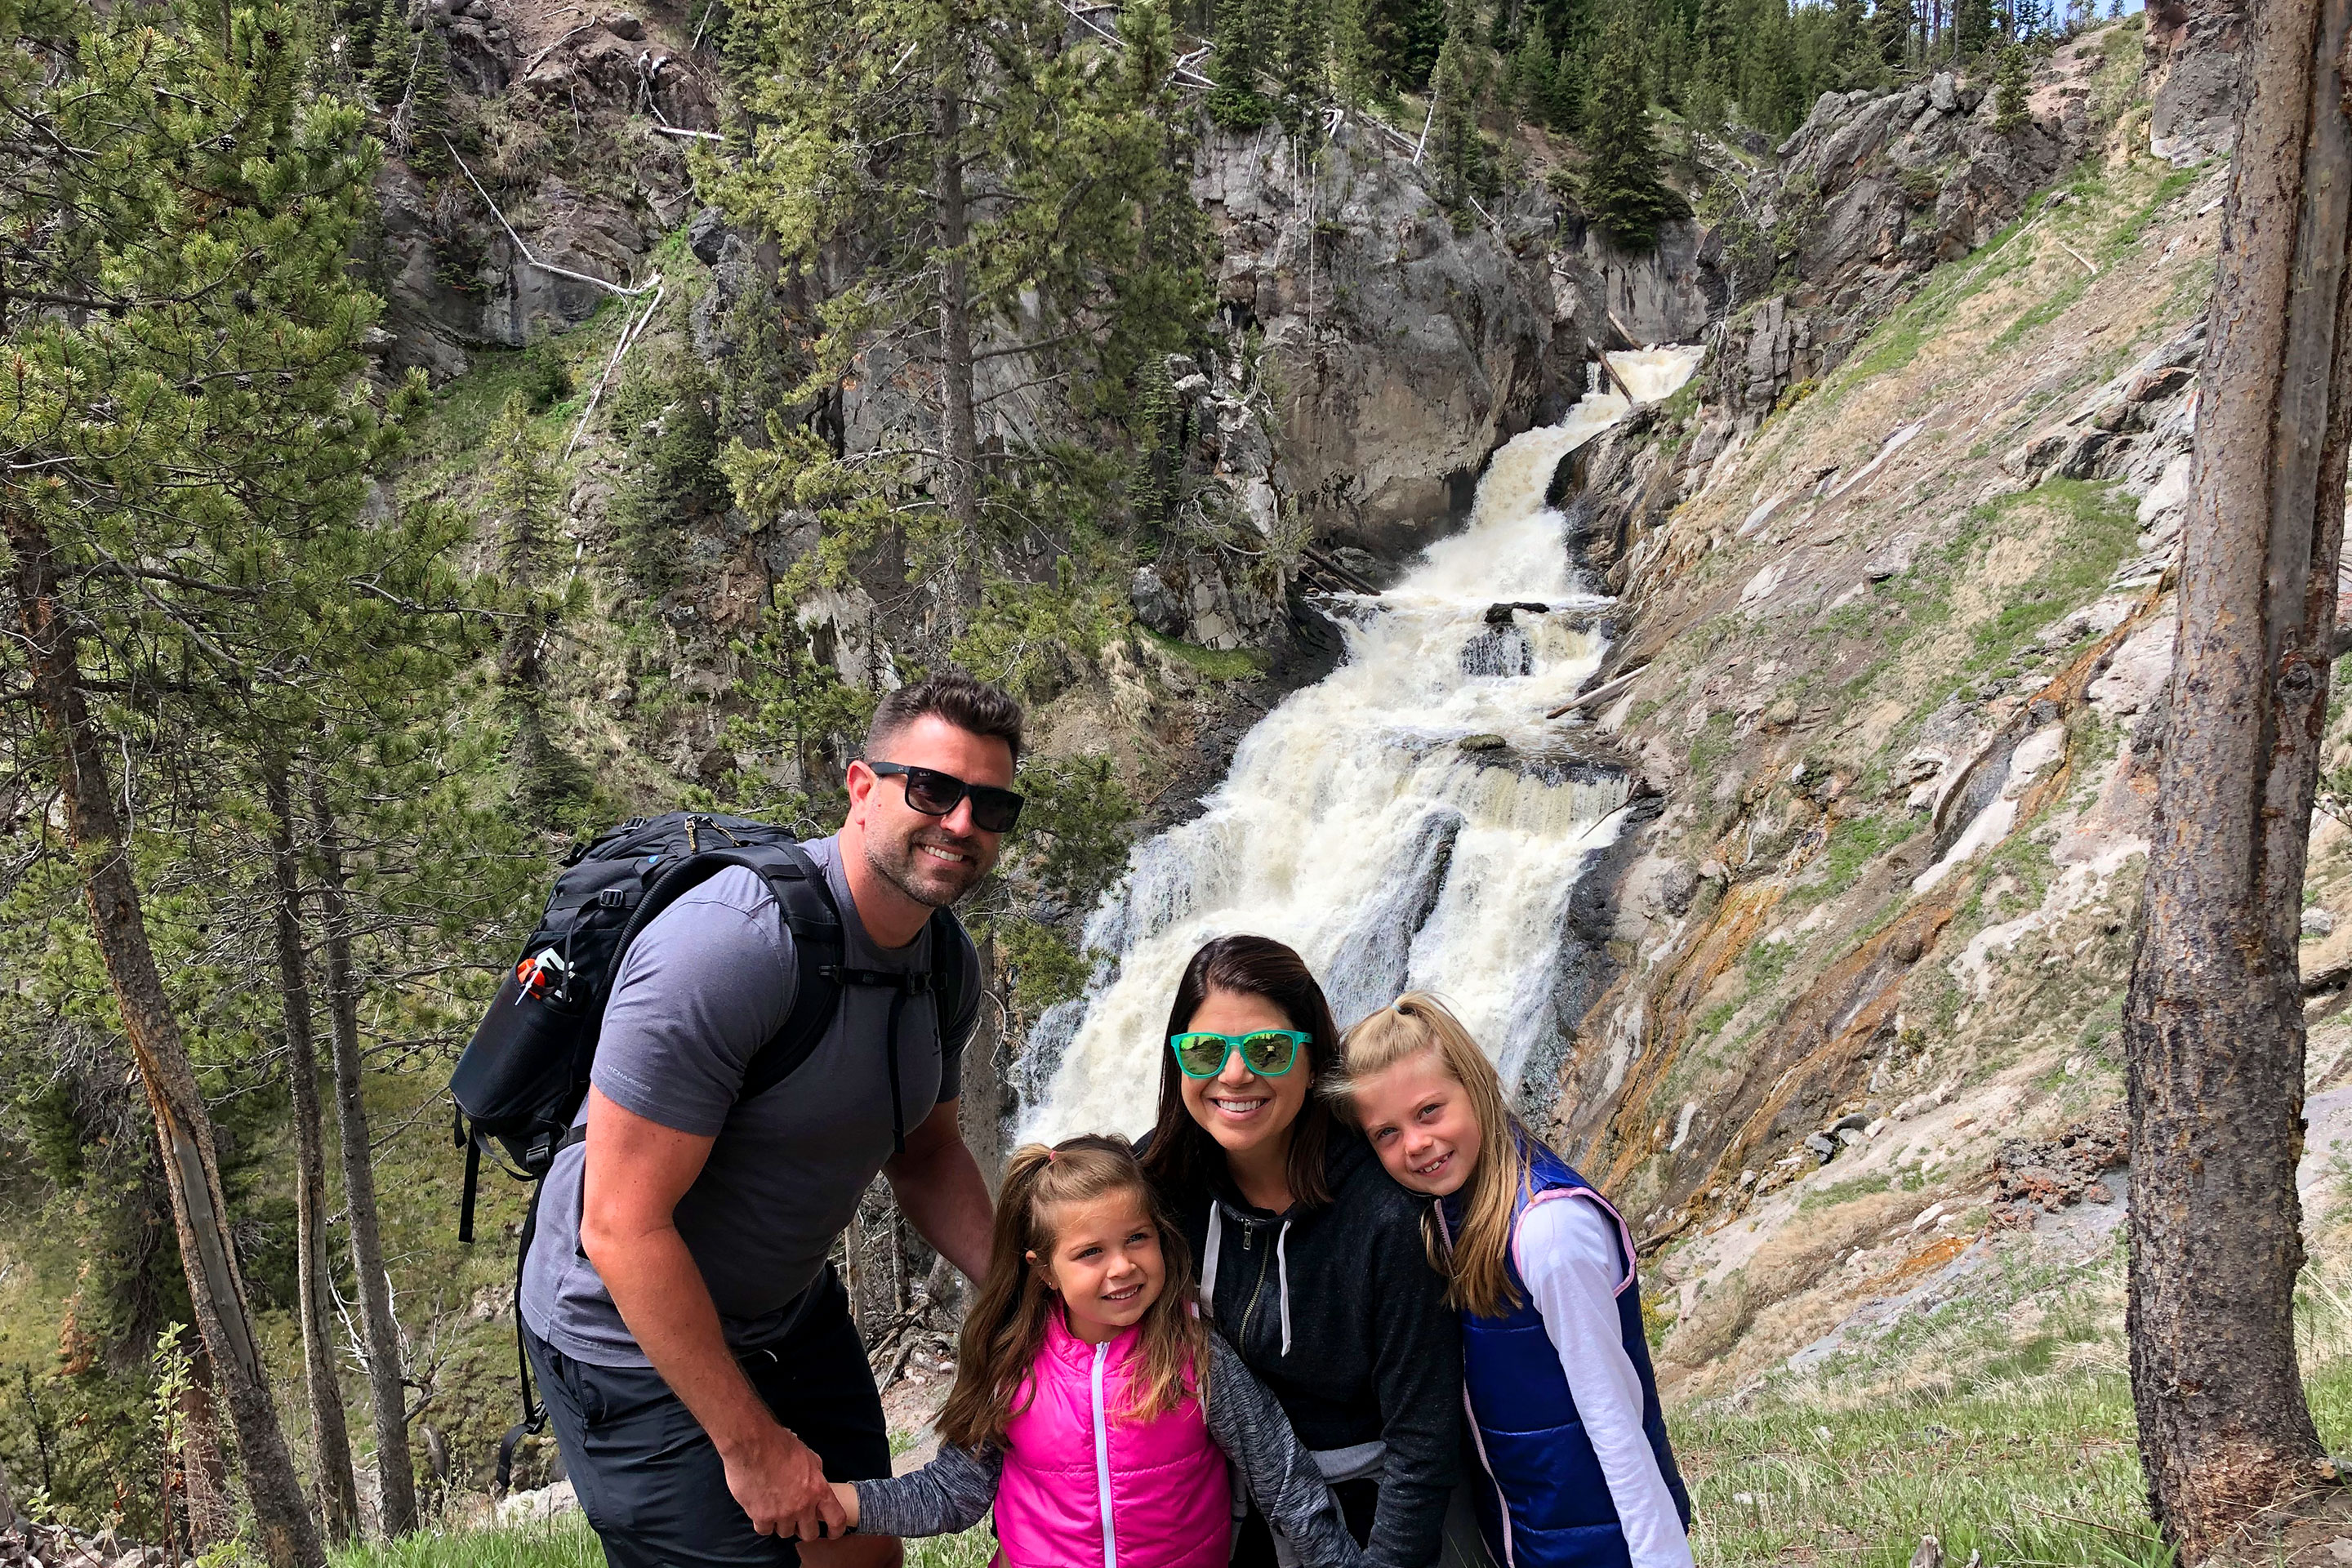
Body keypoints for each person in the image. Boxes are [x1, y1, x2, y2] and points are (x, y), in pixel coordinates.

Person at [517, 671, 1025, 1568]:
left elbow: (928, 1153)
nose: (961, 824)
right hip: (626, 1335)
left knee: (863, 1553)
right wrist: (750, 1448)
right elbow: (620, 1224)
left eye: (990, 807)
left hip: (785, 1311)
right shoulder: (732, 945)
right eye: (934, 790)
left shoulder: (943, 964)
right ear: (862, 788)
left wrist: (1028, 1290)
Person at [833, 1135, 1369, 1568]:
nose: (1122, 1267)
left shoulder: (1195, 1356)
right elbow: (953, 1495)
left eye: (1137, 1238)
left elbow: (1285, 1482)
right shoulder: (1012, 1365)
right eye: (1091, 1252)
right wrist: (843, 1504)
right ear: (1043, 1270)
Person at [1333, 994, 1693, 1568]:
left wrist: (1662, 1557)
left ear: (1476, 1087)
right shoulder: (1449, 1211)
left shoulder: (1549, 1231)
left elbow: (1614, 1417)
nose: (1416, 1144)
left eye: (1429, 1111)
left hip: (1605, 1546)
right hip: (1530, 1535)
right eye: (1386, 1133)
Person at [1138, 935, 1462, 1568]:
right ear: (1178, 1063)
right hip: (1212, 1506)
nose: (1234, 1075)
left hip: (1366, 1514)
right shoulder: (1155, 1185)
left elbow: (1422, 1440)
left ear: (1312, 1058)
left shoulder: (1382, 1212)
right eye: (1204, 1050)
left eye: (1267, 1048)